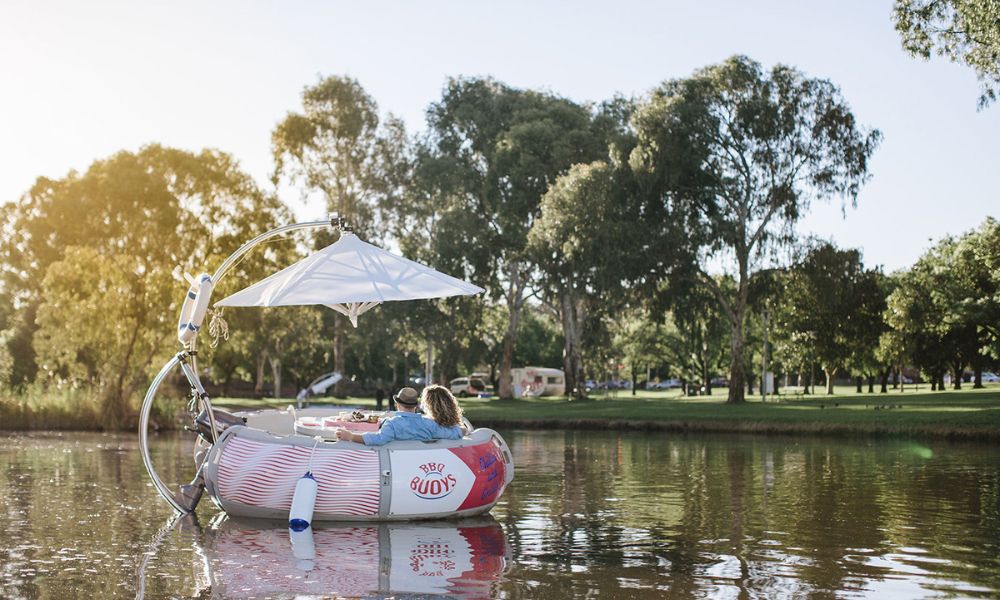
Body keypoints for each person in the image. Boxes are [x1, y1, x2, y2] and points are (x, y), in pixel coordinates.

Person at [335, 385, 465, 446]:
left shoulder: (392, 424)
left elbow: (378, 439)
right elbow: (454, 433)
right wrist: (462, 429)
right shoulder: (429, 424)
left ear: (397, 404)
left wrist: (351, 436)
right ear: (416, 406)